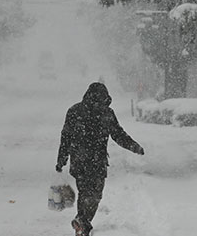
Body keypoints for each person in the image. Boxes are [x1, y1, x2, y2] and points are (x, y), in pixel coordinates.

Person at [56, 82, 144, 236]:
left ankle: (81, 222)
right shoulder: (106, 113)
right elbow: (118, 134)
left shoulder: (74, 111)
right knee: (95, 195)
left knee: (84, 192)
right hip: (97, 162)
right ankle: (83, 221)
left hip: (79, 161)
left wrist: (61, 159)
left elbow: (66, 138)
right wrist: (133, 146)